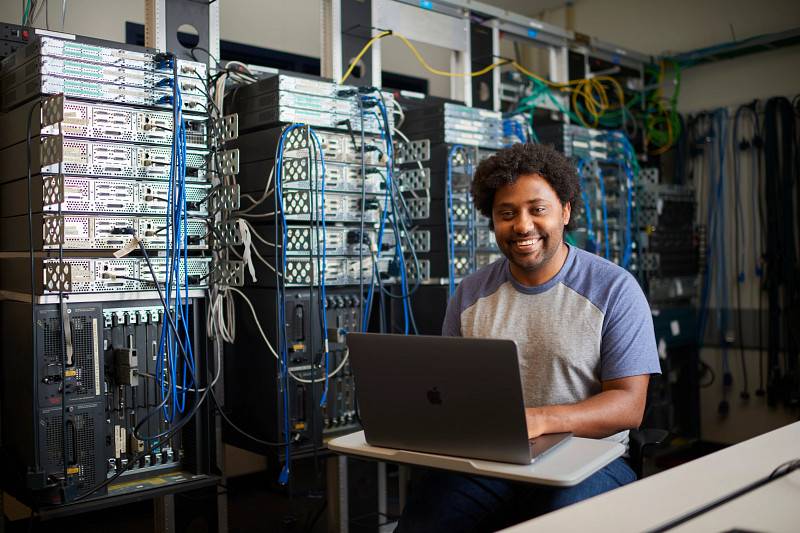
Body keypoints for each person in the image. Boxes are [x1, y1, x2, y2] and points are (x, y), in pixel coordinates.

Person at [395, 143, 661, 532]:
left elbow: (628, 406)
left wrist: (537, 420)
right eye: (507, 213)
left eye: (538, 209)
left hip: (591, 460)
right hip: (491, 462)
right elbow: (450, 392)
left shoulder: (614, 289)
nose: (522, 225)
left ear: (565, 211)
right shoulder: (470, 294)